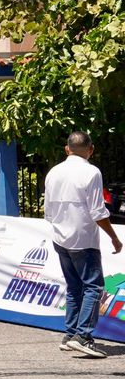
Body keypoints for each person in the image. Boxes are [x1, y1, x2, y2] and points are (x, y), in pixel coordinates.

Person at [44, 130, 123, 359]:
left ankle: (70, 335)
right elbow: (98, 211)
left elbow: (48, 211)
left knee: (74, 287)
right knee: (93, 287)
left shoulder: (53, 172)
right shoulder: (91, 172)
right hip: (83, 239)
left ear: (67, 149)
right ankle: (83, 337)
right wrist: (114, 237)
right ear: (91, 149)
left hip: (60, 236)